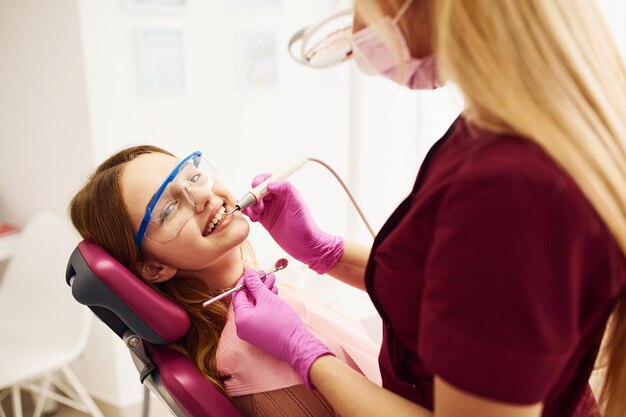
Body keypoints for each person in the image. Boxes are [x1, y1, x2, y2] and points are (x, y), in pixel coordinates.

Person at [231, 0, 626, 417]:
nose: (354, 26)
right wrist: (324, 252)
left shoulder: (512, 187)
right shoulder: (500, 123)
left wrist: (309, 356)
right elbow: (456, 291)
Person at [68, 145, 381, 417]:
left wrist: (325, 252)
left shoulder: (261, 299)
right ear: (153, 266)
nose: (203, 195)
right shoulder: (249, 356)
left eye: (192, 177)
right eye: (169, 208)